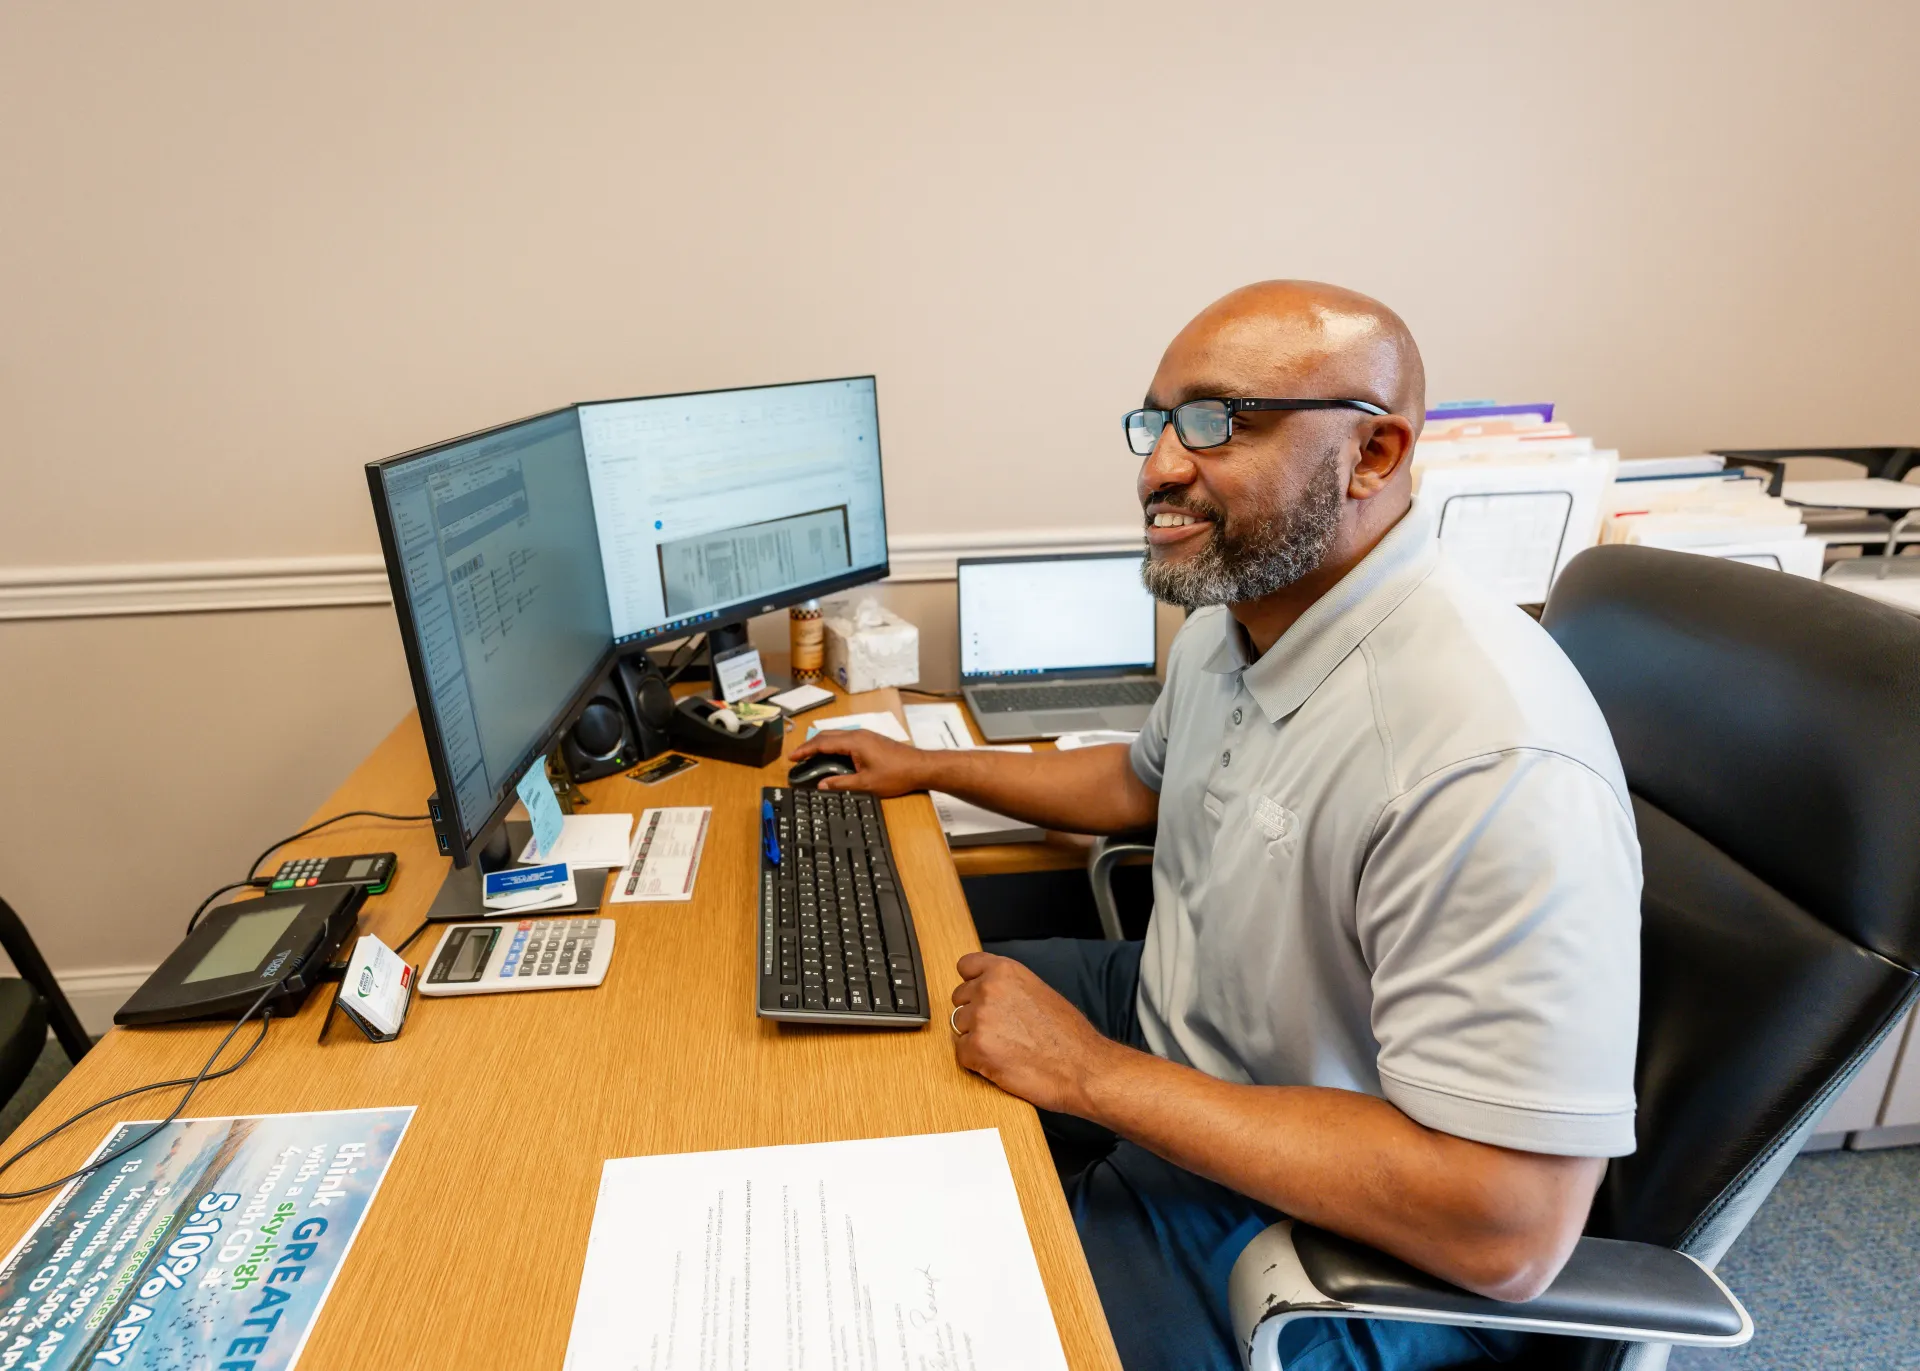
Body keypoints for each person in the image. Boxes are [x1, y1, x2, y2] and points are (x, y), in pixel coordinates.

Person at [788, 281, 1641, 1371]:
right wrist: (929, 765)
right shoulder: (1238, 616)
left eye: (1219, 422)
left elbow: (1506, 1226)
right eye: (1156, 422)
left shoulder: (1488, 757)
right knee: (873, 1020)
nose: (1159, 468)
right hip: (1184, 1030)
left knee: (948, 1329)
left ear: (1373, 456)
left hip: (1319, 1222)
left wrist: (1090, 1073)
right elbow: (1143, 786)